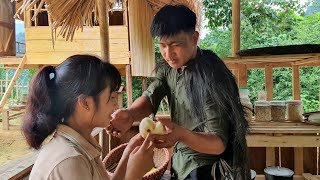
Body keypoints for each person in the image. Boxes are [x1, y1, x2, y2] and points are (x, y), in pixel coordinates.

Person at [107, 4, 251, 180]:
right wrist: (130, 114)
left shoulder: (212, 77)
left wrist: (180, 134)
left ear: (195, 38)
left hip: (209, 169)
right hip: (180, 163)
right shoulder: (168, 69)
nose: (168, 54)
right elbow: (151, 98)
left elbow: (218, 144)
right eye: (162, 45)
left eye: (176, 44)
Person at [23, 55, 154, 180]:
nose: (116, 105)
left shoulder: (80, 143)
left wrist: (127, 155)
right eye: (112, 98)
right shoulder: (70, 160)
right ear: (85, 103)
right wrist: (134, 174)